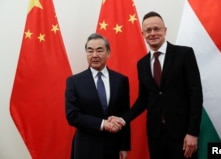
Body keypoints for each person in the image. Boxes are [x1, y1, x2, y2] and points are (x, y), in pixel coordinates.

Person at [109, 11, 203, 159]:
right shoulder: (142, 64)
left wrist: (193, 132)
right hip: (155, 134)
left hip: (183, 134)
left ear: (165, 30)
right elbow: (143, 100)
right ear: (143, 33)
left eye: (157, 28)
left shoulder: (184, 54)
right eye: (148, 30)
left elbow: (196, 95)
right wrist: (123, 119)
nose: (153, 33)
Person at [65, 33, 131, 159]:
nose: (94, 55)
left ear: (108, 53)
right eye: (90, 51)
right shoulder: (74, 81)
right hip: (85, 147)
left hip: (113, 147)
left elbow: (125, 114)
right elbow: (72, 116)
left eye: (99, 50)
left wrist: (124, 146)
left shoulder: (121, 80)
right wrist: (102, 123)